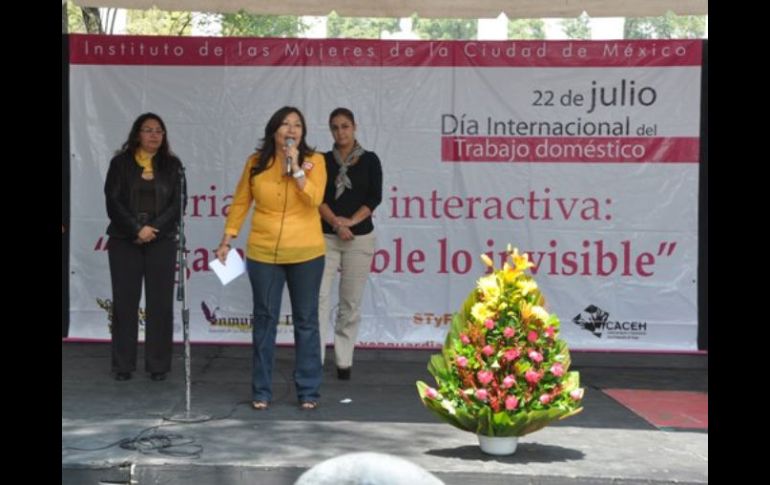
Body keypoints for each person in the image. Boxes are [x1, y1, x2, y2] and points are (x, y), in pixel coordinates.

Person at [215, 106, 327, 410]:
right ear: (274, 130)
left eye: (297, 125)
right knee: (265, 319)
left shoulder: (315, 161)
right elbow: (240, 202)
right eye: (285, 124)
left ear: (303, 133)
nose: (291, 130)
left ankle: (308, 390)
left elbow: (315, 199)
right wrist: (227, 239)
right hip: (264, 253)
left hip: (306, 252)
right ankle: (261, 390)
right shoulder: (256, 163)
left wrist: (298, 170)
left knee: (306, 321)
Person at [104, 113, 184, 382]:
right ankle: (123, 365)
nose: (154, 135)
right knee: (125, 303)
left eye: (159, 131)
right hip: (124, 240)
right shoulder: (120, 164)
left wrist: (152, 229)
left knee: (160, 304)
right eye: (148, 130)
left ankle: (158, 365)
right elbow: (113, 202)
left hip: (161, 241)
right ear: (137, 134)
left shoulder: (173, 165)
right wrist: (136, 230)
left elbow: (177, 205)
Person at [318, 108, 383, 380]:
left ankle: (344, 360)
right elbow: (315, 198)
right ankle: (315, 358)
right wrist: (336, 223)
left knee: (350, 302)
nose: (340, 132)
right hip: (325, 237)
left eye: (345, 126)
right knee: (318, 299)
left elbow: (373, 198)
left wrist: (349, 224)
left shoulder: (369, 160)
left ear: (354, 127)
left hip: (359, 237)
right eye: (335, 127)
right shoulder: (321, 160)